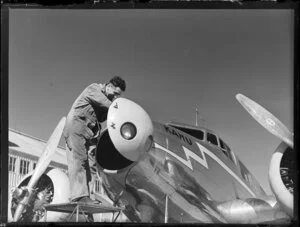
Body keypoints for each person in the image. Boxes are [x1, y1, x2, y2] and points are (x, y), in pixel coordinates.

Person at [63, 76, 126, 204]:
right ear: (108, 86)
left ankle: (88, 197)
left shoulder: (105, 101)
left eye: (118, 96)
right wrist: (124, 108)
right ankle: (79, 196)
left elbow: (107, 116)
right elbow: (112, 107)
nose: (115, 97)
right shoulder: (94, 89)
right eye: (115, 94)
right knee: (79, 159)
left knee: (91, 165)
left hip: (90, 133)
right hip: (77, 128)